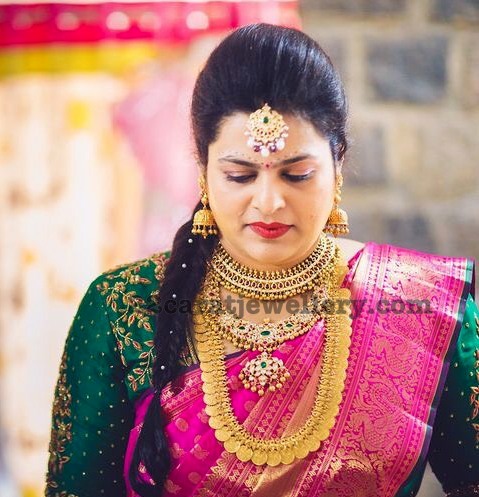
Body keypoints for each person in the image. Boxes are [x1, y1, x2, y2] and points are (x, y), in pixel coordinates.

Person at [45, 23, 478, 497]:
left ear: (337, 169)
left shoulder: (422, 305)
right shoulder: (123, 306)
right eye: (240, 175)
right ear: (205, 174)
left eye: (296, 175)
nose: (268, 202)